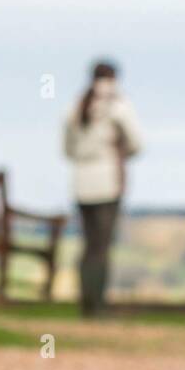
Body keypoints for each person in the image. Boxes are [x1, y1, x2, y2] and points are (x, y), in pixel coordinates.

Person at [63, 61, 142, 316]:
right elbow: (137, 143)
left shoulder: (76, 106)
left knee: (87, 245)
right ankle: (97, 304)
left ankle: (86, 302)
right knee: (102, 246)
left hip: (80, 182)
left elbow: (67, 149)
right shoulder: (118, 106)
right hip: (108, 182)